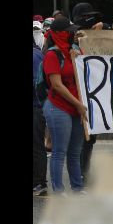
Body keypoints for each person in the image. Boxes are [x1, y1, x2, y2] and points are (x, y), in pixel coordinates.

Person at [42, 18, 88, 195]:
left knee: (75, 152)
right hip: (58, 107)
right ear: (60, 34)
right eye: (69, 31)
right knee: (59, 151)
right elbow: (57, 85)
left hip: (77, 108)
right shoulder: (52, 55)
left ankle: (77, 188)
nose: (73, 34)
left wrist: (79, 55)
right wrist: (78, 104)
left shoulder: (74, 52)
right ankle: (59, 190)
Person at [71, 2, 105, 182]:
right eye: (86, 17)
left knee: (91, 137)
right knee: (80, 137)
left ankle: (85, 170)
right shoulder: (71, 36)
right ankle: (79, 173)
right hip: (76, 95)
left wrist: (99, 31)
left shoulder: (94, 35)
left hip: (94, 94)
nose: (90, 20)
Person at [33, 35, 48, 196]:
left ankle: (39, 182)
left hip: (35, 107)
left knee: (36, 146)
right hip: (38, 106)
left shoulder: (34, 56)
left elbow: (36, 83)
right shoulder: (37, 54)